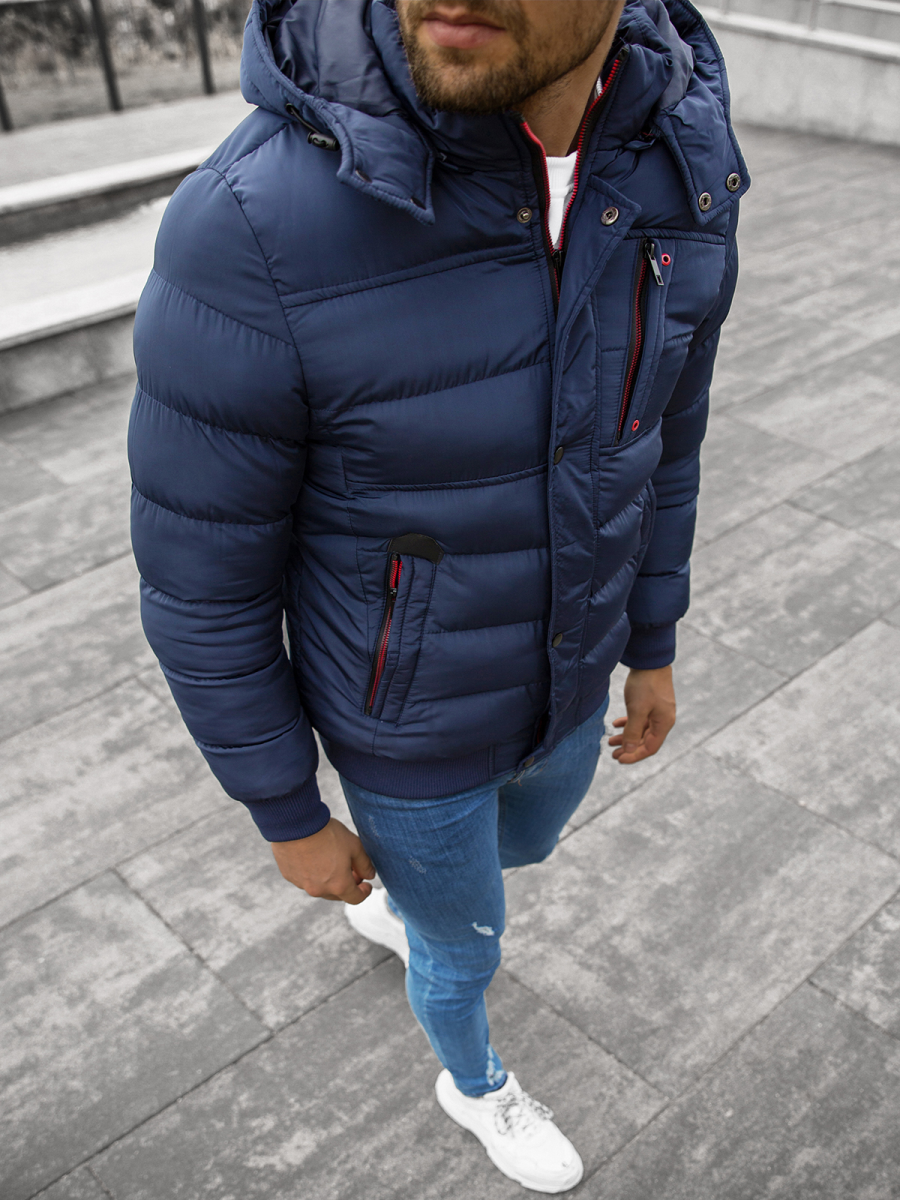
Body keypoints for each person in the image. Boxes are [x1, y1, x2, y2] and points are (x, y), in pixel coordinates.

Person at [129, 0, 746, 1191]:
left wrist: (653, 640)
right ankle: (473, 1083)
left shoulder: (681, 161)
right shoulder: (252, 223)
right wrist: (286, 814)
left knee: (520, 848)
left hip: (575, 683)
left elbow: (666, 441)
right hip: (404, 726)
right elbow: (202, 582)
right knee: (466, 950)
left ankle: (415, 905)